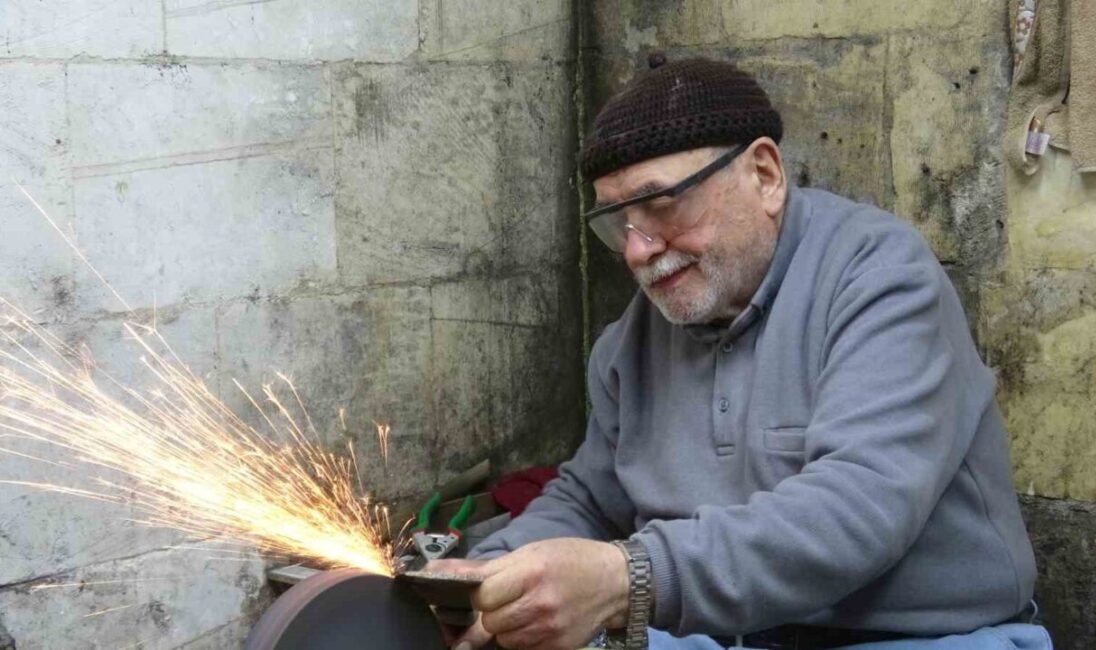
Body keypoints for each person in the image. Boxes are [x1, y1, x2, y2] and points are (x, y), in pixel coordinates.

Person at [429, 56, 1051, 650]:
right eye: (619, 224)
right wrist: (487, 576)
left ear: (764, 176)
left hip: (923, 638)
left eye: (662, 205)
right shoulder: (631, 341)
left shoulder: (879, 278)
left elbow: (857, 511)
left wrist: (627, 578)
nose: (639, 251)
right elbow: (591, 501)